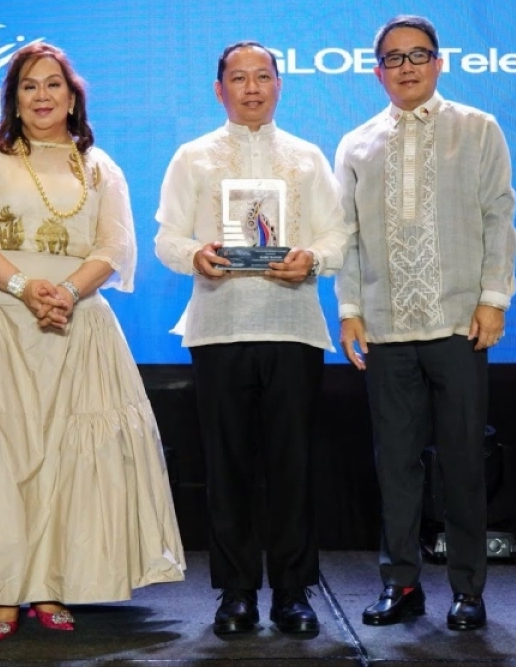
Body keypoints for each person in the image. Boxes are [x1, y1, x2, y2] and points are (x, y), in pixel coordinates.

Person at [0, 42, 185, 641]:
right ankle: (0, 590)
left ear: (73, 98)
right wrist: (26, 288)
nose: (42, 96)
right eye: (29, 86)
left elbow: (114, 248)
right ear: (12, 100)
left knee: (65, 462)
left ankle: (49, 584)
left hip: (75, 329)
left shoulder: (100, 166)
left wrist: (66, 294)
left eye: (53, 85)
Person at [154, 41, 349, 636]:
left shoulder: (307, 156)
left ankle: (293, 593)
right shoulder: (193, 157)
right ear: (220, 90)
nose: (252, 87)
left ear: (279, 84)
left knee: (293, 467)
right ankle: (235, 592)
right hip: (218, 329)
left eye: (262, 76)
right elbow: (166, 240)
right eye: (238, 78)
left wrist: (311, 258)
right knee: (228, 466)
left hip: (293, 328)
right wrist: (198, 255)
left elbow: (339, 238)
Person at [335, 15, 516, 632]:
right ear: (377, 69)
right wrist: (351, 311)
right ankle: (402, 584)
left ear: (440, 62)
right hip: (386, 330)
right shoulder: (357, 143)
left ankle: (469, 589)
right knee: (397, 465)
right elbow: (349, 239)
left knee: (464, 462)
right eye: (394, 58)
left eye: (419, 55)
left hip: (458, 323)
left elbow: (499, 218)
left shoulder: (477, 128)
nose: (407, 66)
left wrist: (494, 297)